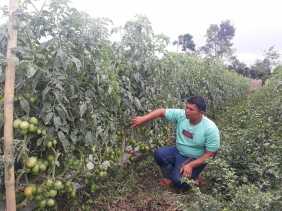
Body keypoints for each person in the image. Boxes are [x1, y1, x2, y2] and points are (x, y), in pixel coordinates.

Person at [131, 96, 220, 190]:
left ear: (201, 113)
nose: (187, 111)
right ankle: (172, 177)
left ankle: (192, 179)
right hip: (179, 152)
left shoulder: (210, 128)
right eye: (187, 107)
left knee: (179, 183)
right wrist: (143, 119)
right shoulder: (182, 115)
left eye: (191, 109)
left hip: (195, 158)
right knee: (160, 154)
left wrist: (191, 165)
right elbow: (161, 111)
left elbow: (210, 154)